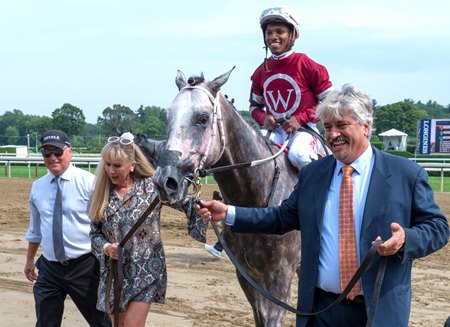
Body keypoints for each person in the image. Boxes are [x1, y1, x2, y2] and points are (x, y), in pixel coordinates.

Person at [196, 84, 449, 327]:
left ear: (366, 127)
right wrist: (228, 213)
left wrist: (406, 238)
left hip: (379, 312)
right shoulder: (314, 173)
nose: (333, 135)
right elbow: (282, 218)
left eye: (341, 125)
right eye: (327, 127)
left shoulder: (406, 173)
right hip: (321, 312)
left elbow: (438, 228)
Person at [89, 134, 207, 327]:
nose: (111, 170)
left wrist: (201, 209)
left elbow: (185, 203)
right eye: (108, 164)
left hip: (146, 270)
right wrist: (106, 247)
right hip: (114, 272)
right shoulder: (100, 193)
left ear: (132, 165)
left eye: (117, 165)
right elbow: (94, 233)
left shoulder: (152, 186)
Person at [24, 130, 111, 327]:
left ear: (69, 152)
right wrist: (30, 260)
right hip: (49, 268)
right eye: (47, 153)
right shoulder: (37, 187)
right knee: (46, 323)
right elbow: (35, 229)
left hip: (85, 266)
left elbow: (105, 224)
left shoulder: (89, 183)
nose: (52, 158)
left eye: (57, 152)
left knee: (101, 322)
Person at [249, 6, 333, 170]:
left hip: (305, 130)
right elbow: (254, 107)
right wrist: (264, 118)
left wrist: (300, 118)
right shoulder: (260, 72)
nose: (273, 37)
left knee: (298, 155)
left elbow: (330, 101)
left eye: (280, 31)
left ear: (292, 35)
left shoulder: (307, 64)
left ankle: (320, 190)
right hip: (276, 132)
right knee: (251, 151)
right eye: (269, 32)